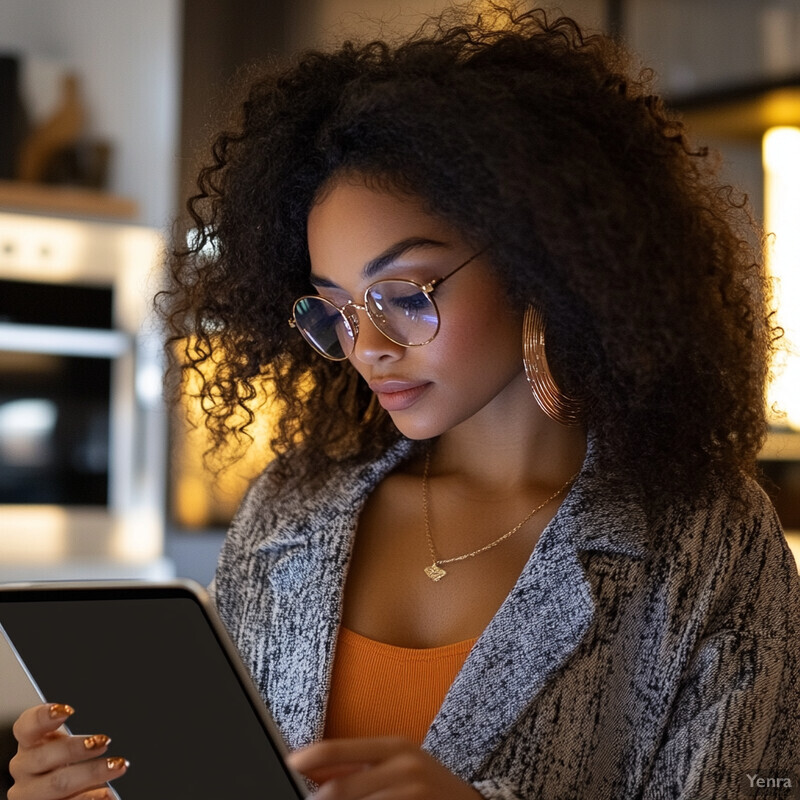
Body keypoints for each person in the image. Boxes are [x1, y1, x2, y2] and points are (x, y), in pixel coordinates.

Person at [8, 4, 800, 799]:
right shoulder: (289, 516)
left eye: (404, 293)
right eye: (336, 308)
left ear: (542, 261)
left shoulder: (708, 543)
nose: (368, 345)